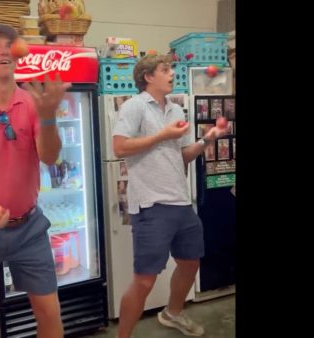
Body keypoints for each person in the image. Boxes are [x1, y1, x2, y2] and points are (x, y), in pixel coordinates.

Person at [0, 23, 70, 338]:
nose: (5, 49)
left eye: (10, 43)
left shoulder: (33, 104)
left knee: (49, 311)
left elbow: (49, 157)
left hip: (28, 227)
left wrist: (48, 118)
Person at [112, 54, 228, 338]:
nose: (172, 73)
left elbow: (182, 156)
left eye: (171, 69)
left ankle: (172, 313)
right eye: (165, 69)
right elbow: (120, 148)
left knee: (191, 262)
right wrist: (161, 136)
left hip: (180, 201)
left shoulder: (177, 111)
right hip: (151, 205)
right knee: (144, 281)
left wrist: (207, 138)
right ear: (148, 77)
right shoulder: (134, 107)